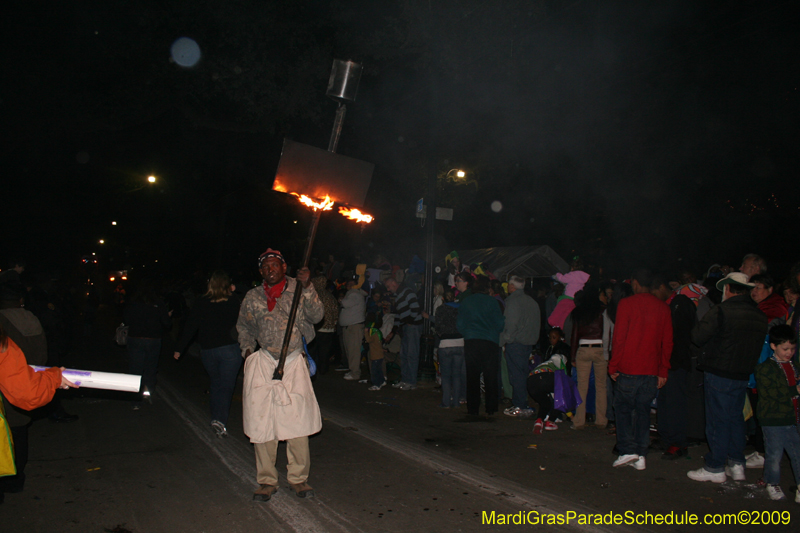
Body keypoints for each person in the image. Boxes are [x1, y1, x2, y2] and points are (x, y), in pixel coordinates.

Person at [236, 249, 324, 502]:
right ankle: (267, 480)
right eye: (265, 267)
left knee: (297, 422)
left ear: (284, 267)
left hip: (294, 361)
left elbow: (317, 316)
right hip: (264, 361)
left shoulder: (299, 288)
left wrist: (307, 286)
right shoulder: (253, 296)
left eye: (275, 265)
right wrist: (248, 351)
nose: (270, 270)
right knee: (262, 421)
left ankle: (299, 479)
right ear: (261, 271)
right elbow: (243, 326)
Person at [687, 272, 767, 484]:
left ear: (728, 289)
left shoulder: (721, 310)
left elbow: (697, 336)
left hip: (719, 371)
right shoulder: (758, 314)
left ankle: (715, 466)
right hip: (742, 374)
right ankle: (737, 463)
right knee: (735, 418)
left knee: (718, 420)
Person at [608, 269, 673, 472]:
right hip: (651, 370)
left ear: (635, 283)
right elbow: (667, 341)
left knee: (624, 409)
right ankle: (641, 454)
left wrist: (613, 365)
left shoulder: (626, 304)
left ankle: (627, 450)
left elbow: (619, 338)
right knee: (643, 411)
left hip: (629, 368)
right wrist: (663, 369)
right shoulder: (662, 307)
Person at [173, 271, 242, 438]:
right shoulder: (233, 301)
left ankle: (216, 418)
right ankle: (220, 420)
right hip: (230, 349)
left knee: (216, 383)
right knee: (226, 386)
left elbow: (191, 325)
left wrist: (179, 348)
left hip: (208, 350)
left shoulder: (201, 302)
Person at [754, 325, 800, 501]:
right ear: (773, 346)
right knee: (774, 454)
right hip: (773, 419)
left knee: (797, 453)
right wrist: (794, 390)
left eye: (792, 349)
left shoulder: (794, 366)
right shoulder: (765, 368)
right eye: (785, 349)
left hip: (791, 418)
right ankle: (772, 483)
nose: (789, 352)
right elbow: (771, 394)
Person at [457, 275, 505, 418]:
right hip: (490, 342)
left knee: (472, 376)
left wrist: (468, 332)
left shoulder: (467, 302)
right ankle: (491, 407)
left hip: (472, 341)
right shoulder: (492, 302)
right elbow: (500, 325)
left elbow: (459, 324)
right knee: (490, 376)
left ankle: (473, 408)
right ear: (487, 287)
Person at [124, 279, 172, 407]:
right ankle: (148, 394)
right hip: (153, 339)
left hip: (136, 338)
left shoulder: (133, 303)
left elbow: (126, 319)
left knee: (135, 369)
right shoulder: (158, 303)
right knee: (150, 368)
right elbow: (166, 323)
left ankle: (135, 399)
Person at [569, 284, 608, 429]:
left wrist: (572, 356)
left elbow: (574, 335)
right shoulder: (603, 310)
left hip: (583, 348)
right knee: (601, 386)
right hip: (600, 349)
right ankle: (601, 420)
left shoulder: (579, 311)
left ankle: (579, 420)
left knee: (582, 386)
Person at [501, 275, 540, 418]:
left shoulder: (513, 302)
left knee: (516, 375)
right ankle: (522, 402)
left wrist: (503, 340)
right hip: (528, 343)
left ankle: (520, 405)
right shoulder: (532, 302)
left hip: (516, 343)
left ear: (512, 287)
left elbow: (510, 326)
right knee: (522, 374)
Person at [385, 277, 423, 391]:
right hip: (406, 327)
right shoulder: (398, 296)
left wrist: (410, 321)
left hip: (413, 326)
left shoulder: (407, 291)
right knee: (404, 354)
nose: (388, 289)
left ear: (394, 283)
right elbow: (397, 315)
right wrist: (393, 331)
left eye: (388, 286)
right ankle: (405, 380)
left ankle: (411, 382)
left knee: (411, 354)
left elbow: (415, 307)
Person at [434, 289, 465, 408]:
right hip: (459, 343)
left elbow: (438, 327)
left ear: (443, 298)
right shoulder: (461, 309)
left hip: (446, 344)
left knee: (446, 376)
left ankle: (446, 402)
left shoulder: (441, 310)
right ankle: (456, 401)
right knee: (457, 375)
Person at [338, 277, 367, 381]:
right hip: (350, 327)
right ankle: (353, 370)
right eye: (348, 283)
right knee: (350, 350)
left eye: (351, 284)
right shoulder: (353, 293)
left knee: (354, 351)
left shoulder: (354, 293)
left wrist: (341, 299)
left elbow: (345, 303)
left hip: (354, 327)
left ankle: (355, 373)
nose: (349, 286)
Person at [364, 312, 385, 390]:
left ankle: (376, 384)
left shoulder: (373, 334)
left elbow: (368, 340)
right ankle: (382, 381)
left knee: (374, 371)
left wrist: (366, 333)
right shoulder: (378, 332)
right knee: (379, 370)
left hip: (376, 356)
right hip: (380, 355)